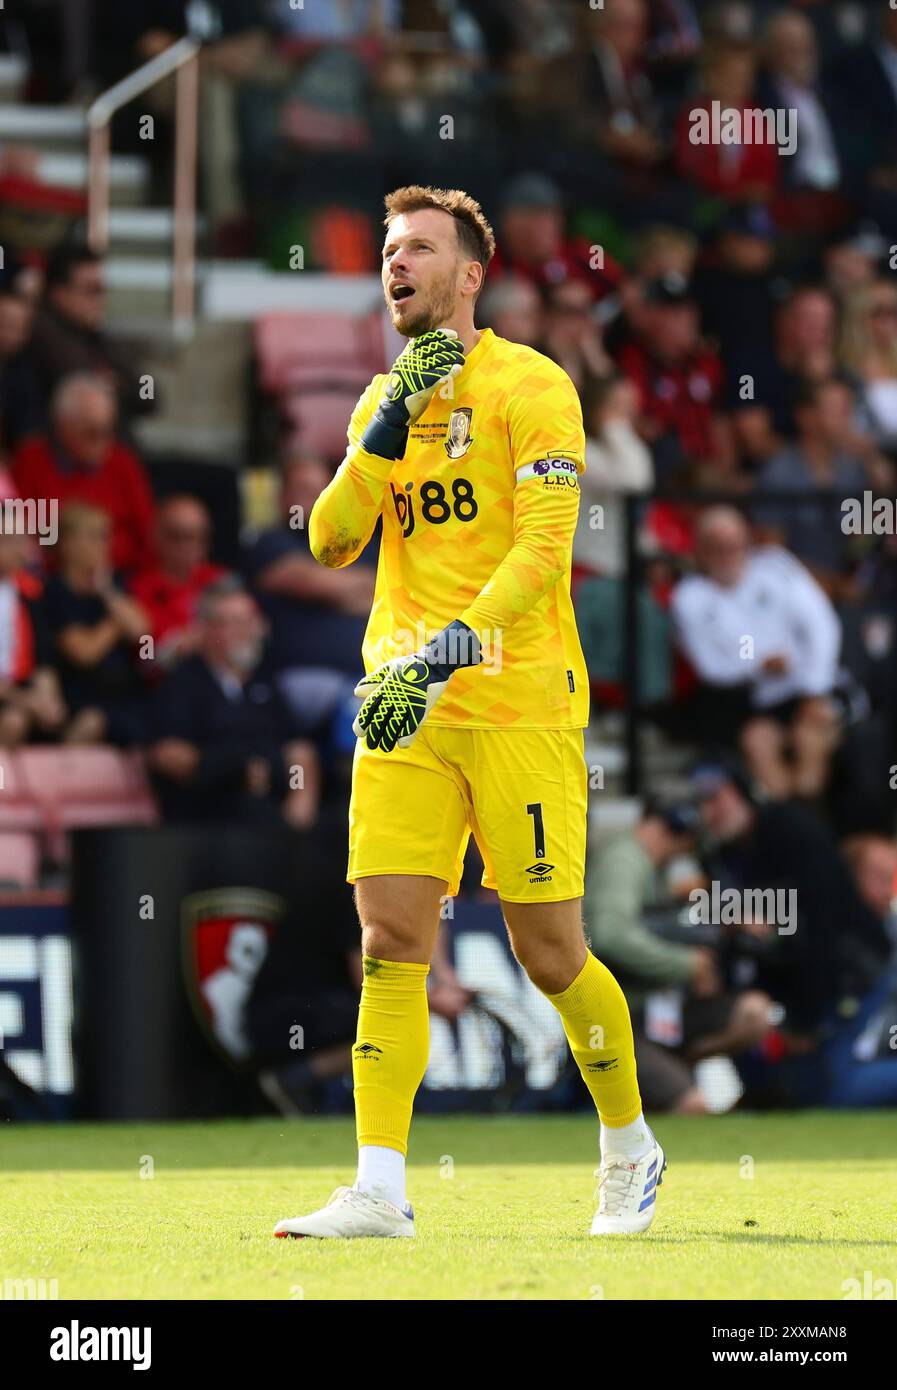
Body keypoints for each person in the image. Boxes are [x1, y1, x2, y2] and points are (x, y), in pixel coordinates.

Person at [274, 184, 664, 1242]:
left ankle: (630, 1144)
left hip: (517, 703)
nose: (394, 263)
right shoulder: (377, 402)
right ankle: (380, 1187)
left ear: (469, 275)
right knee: (391, 934)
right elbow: (331, 542)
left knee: (549, 950)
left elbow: (542, 557)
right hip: (402, 711)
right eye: (388, 249)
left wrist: (441, 658)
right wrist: (389, 424)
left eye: (418, 249)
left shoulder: (533, 388)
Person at [586, 800, 772, 1114]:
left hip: (662, 1014)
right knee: (693, 1106)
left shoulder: (652, 869)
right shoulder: (625, 859)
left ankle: (678, 1064)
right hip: (622, 1022)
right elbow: (608, 935)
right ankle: (669, 1087)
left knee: (754, 1013)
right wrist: (684, 964)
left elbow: (655, 924)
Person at [671, 506, 841, 799]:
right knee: (759, 743)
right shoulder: (690, 597)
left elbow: (821, 624)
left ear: (748, 542)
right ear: (701, 551)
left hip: (808, 690)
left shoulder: (776, 567)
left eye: (735, 546)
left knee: (811, 736)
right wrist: (758, 665)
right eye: (717, 548)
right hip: (748, 703)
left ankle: (810, 810)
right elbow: (711, 667)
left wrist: (815, 690)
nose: (728, 555)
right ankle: (787, 814)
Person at [147, 577, 320, 828]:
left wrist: (300, 799)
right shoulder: (183, 683)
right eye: (233, 623)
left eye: (250, 622)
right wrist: (236, 771)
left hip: (272, 819)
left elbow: (298, 749)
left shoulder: (265, 683)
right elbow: (165, 753)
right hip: (207, 822)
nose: (246, 632)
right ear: (206, 629)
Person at [12, 372, 156, 577]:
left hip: (115, 576)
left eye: (109, 431)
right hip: (49, 578)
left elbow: (146, 537)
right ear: (62, 425)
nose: (103, 442)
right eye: (92, 432)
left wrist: (100, 552)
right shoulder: (32, 460)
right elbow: (20, 532)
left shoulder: (123, 463)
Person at [41, 502, 150, 745]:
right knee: (92, 722)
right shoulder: (55, 592)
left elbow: (143, 633)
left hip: (124, 695)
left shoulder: (113, 586)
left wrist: (106, 591)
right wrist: (116, 623)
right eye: (93, 537)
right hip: (79, 695)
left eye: (105, 537)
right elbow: (84, 652)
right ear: (67, 543)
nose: (103, 546)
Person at [28, 243, 156, 430]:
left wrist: (121, 387)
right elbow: (85, 383)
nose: (100, 299)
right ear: (59, 293)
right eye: (92, 290)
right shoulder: (43, 333)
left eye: (103, 290)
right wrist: (124, 387)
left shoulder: (100, 336)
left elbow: (151, 391)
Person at [129, 495, 226, 677]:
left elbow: (250, 632)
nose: (189, 545)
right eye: (178, 536)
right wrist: (173, 647)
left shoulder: (220, 580)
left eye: (199, 537)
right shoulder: (137, 590)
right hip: (168, 685)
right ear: (156, 535)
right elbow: (143, 657)